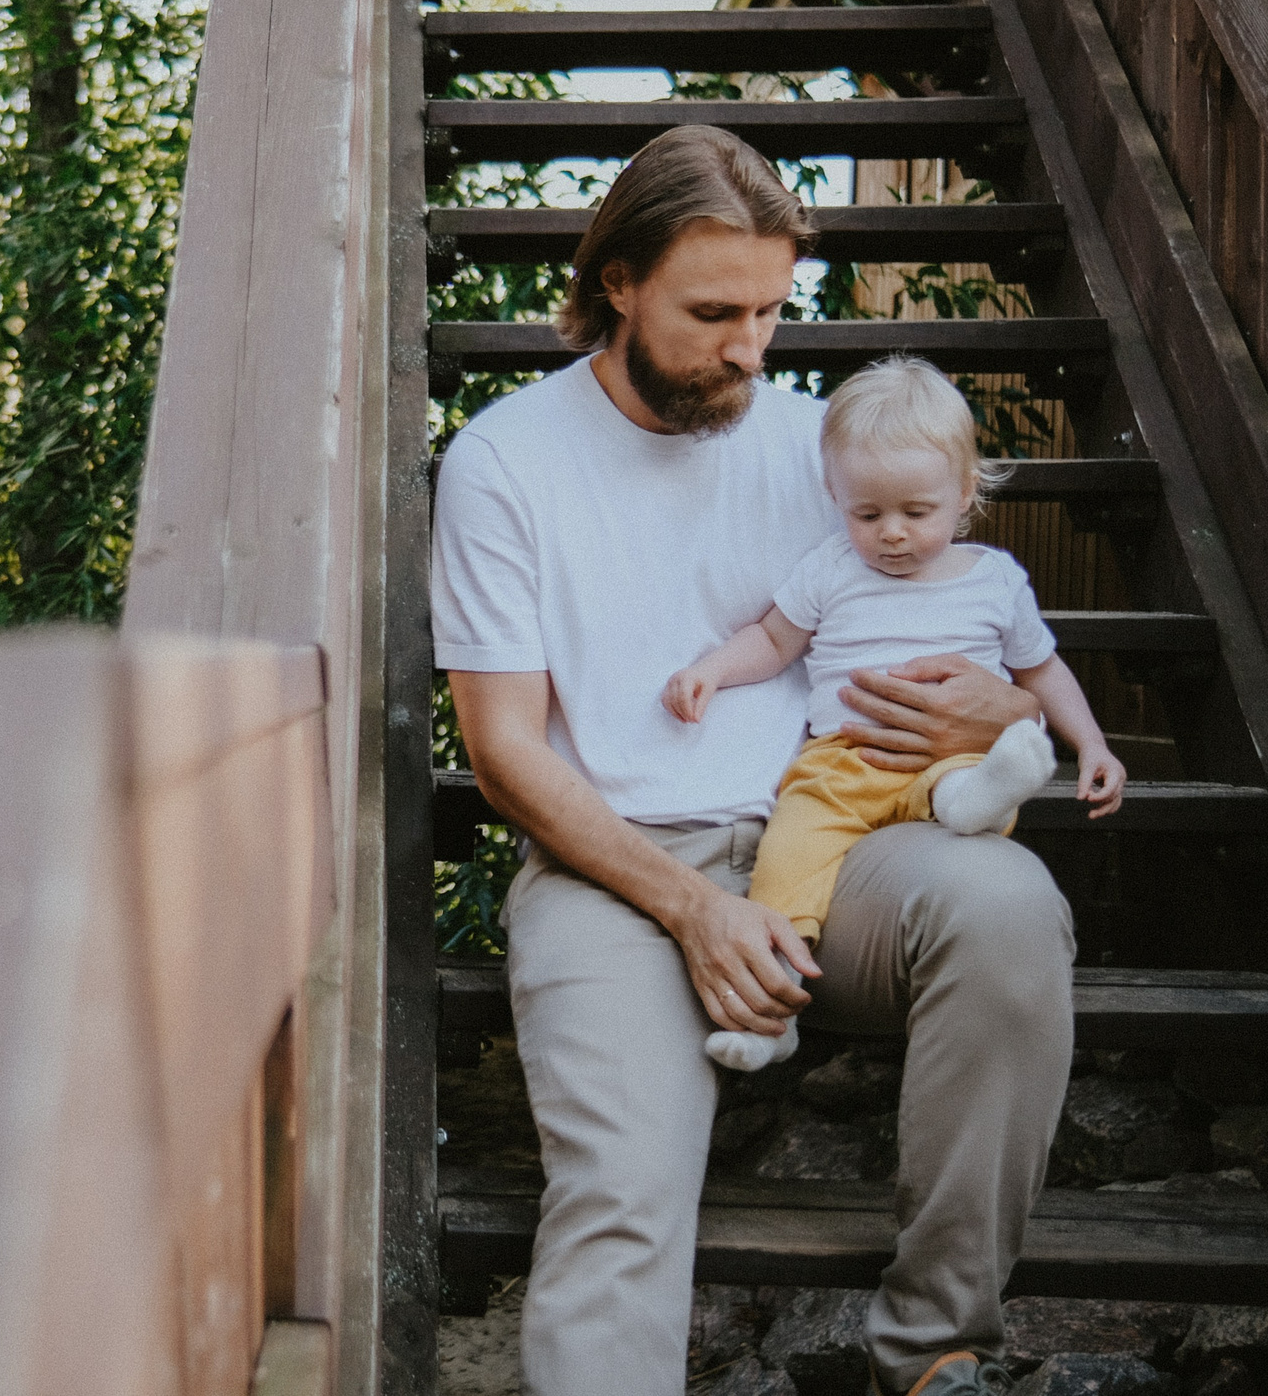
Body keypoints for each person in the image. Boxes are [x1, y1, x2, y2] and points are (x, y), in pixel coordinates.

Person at [430, 125, 1074, 1396]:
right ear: (616, 282)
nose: (749, 347)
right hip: (614, 869)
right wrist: (694, 912)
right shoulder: (504, 462)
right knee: (618, 1196)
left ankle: (933, 1350)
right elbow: (503, 754)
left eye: (772, 311)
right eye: (713, 310)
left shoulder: (822, 454)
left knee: (1008, 911)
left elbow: (981, 637)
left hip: (836, 842)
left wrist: (997, 708)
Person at [662, 355, 1126, 1072]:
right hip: (841, 764)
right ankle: (774, 1007)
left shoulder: (995, 581)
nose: (893, 534)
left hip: (952, 760)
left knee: (977, 775)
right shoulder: (830, 569)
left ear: (966, 492)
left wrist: (1091, 745)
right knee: (787, 855)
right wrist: (710, 672)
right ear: (834, 496)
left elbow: (1041, 668)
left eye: (917, 512)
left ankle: (979, 798)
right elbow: (773, 640)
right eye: (867, 514)